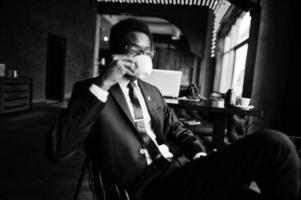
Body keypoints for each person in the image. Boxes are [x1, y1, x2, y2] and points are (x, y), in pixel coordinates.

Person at [45, 18, 300, 200]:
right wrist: (105, 83)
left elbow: (177, 129)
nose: (144, 56)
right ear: (115, 52)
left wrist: (200, 154)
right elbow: (58, 150)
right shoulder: (91, 91)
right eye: (135, 50)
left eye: (148, 51)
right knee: (276, 144)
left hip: (180, 170)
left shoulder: (151, 91)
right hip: (150, 185)